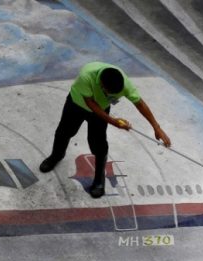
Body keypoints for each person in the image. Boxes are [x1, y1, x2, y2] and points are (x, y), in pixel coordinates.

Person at [39, 62, 171, 198]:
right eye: (108, 93)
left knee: (98, 144)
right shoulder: (86, 76)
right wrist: (113, 121)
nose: (111, 96)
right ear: (101, 84)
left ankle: (99, 178)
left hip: (101, 108)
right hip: (77, 104)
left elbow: (139, 103)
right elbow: (90, 103)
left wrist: (156, 127)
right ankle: (57, 155)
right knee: (64, 132)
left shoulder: (124, 84)